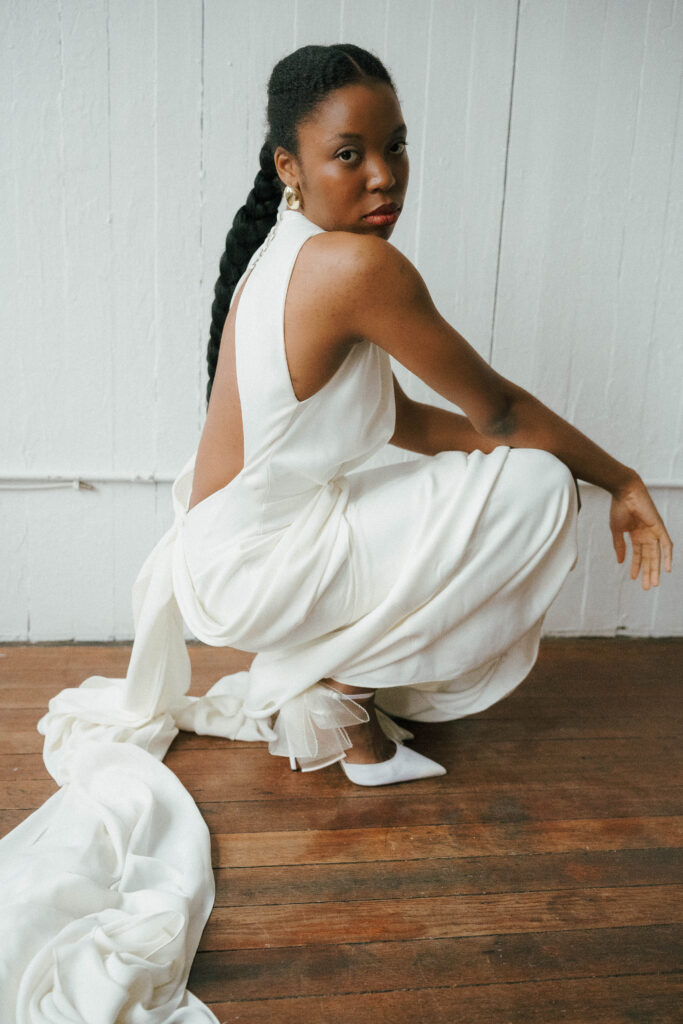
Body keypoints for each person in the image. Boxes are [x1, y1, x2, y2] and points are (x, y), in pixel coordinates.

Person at [176, 42, 673, 787]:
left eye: (396, 146)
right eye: (349, 154)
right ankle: (338, 700)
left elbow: (403, 418)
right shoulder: (354, 268)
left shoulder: (294, 250)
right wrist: (620, 479)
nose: (385, 176)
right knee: (540, 488)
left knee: (514, 473)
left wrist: (494, 463)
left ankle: (329, 684)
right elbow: (499, 412)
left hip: (226, 555)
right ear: (289, 166)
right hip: (256, 566)